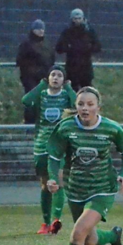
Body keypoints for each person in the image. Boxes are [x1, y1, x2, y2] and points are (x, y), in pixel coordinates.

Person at [45, 86, 123, 245]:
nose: (85, 108)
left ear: (98, 107)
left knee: (78, 232)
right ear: (76, 107)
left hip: (102, 189)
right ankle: (113, 236)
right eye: (81, 104)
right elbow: (54, 156)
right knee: (89, 241)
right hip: (75, 190)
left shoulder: (111, 128)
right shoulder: (65, 127)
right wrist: (52, 178)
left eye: (90, 104)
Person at [21, 65, 77, 235]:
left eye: (59, 75)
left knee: (58, 181)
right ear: (48, 78)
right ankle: (45, 223)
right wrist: (40, 85)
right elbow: (26, 101)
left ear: (63, 80)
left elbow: (77, 104)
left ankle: (55, 221)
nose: (55, 78)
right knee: (45, 185)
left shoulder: (66, 95)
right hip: (41, 145)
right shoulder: (42, 94)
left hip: (59, 144)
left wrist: (69, 88)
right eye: (53, 75)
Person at [16, 19, 55, 124]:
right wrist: (30, 70)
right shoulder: (26, 44)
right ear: (33, 30)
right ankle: (29, 124)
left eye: (42, 29)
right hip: (30, 78)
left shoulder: (47, 44)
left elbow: (51, 59)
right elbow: (20, 60)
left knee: (44, 101)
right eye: (38, 29)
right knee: (31, 101)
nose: (41, 31)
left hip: (44, 77)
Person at [55, 8, 102, 90]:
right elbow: (59, 48)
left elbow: (98, 47)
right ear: (72, 19)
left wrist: (89, 48)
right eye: (75, 19)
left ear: (83, 18)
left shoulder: (89, 31)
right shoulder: (67, 32)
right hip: (72, 68)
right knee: (72, 91)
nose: (77, 21)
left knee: (87, 90)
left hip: (86, 68)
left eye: (79, 18)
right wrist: (68, 47)